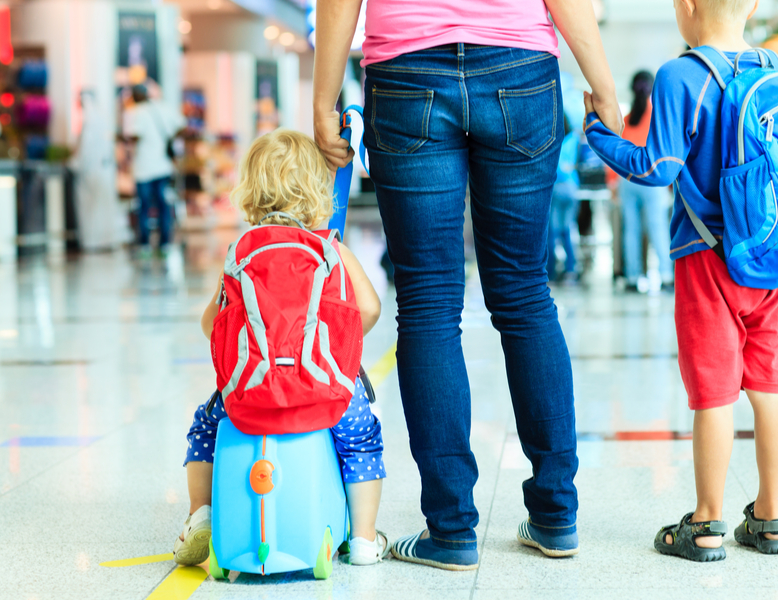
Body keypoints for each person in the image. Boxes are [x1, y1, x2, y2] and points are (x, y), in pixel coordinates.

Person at [313, 0, 623, 571]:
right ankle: (556, 516)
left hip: (407, 72)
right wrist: (602, 83)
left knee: (428, 304)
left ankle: (451, 528)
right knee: (526, 294)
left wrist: (323, 100)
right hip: (520, 70)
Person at [584, 0, 778, 562]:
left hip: (709, 257)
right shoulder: (773, 68)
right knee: (770, 384)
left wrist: (598, 134)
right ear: (752, 5)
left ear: (687, 6)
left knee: (715, 392)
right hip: (774, 252)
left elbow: (658, 169)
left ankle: (706, 524)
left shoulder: (681, 73)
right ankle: (773, 518)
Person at [172, 130, 389, 567]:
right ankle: (364, 538)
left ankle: (201, 516)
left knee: (203, 428)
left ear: (250, 191)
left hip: (246, 399)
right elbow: (370, 310)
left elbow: (210, 325)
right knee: (362, 441)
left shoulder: (239, 253)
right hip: (327, 395)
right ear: (317, 190)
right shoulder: (330, 249)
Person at [610, 71, 674, 292]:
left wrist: (613, 185)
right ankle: (666, 275)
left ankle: (632, 277)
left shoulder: (626, 120)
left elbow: (615, 153)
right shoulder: (657, 117)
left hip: (626, 179)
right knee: (657, 227)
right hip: (651, 178)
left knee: (631, 229)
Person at [122, 84, 185, 258]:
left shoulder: (136, 112)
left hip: (144, 169)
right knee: (163, 205)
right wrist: (168, 139)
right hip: (163, 167)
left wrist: (120, 137)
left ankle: (145, 244)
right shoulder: (162, 107)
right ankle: (165, 243)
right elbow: (182, 125)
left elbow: (134, 136)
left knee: (143, 206)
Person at [74, 89, 126, 251]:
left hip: (93, 172)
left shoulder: (90, 123)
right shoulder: (103, 121)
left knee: (94, 209)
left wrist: (74, 163)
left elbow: (85, 152)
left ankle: (94, 240)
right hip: (104, 172)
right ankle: (103, 239)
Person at [547, 115, 581, 282]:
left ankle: (551, 272)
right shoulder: (574, 138)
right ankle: (570, 270)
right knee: (567, 229)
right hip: (571, 187)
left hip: (554, 186)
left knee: (552, 231)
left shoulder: (551, 138)